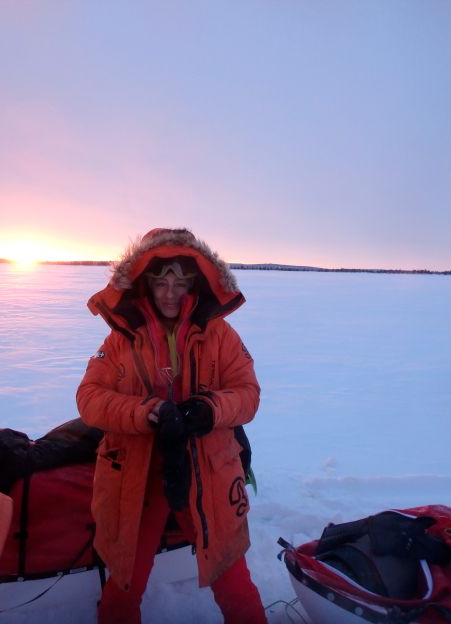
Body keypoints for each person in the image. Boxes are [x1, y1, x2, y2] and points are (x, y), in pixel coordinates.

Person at [77, 227, 267, 623]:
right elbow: (89, 399)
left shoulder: (221, 335)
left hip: (208, 476)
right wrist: (144, 412)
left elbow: (248, 393)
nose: (169, 293)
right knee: (123, 587)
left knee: (234, 583)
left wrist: (208, 410)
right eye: (161, 282)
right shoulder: (118, 340)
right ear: (144, 282)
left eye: (180, 283)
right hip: (138, 480)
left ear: (196, 283)